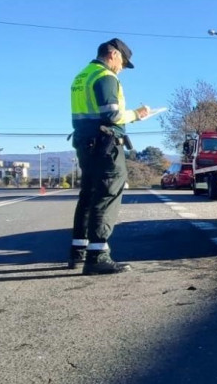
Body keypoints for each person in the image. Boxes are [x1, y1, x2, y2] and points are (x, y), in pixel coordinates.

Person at [69, 38, 149, 275]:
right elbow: (112, 115)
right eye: (123, 61)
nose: (122, 67)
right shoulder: (105, 76)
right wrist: (137, 114)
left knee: (89, 195)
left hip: (85, 143)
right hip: (105, 145)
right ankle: (98, 256)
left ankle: (78, 252)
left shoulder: (82, 76)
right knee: (107, 194)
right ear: (113, 55)